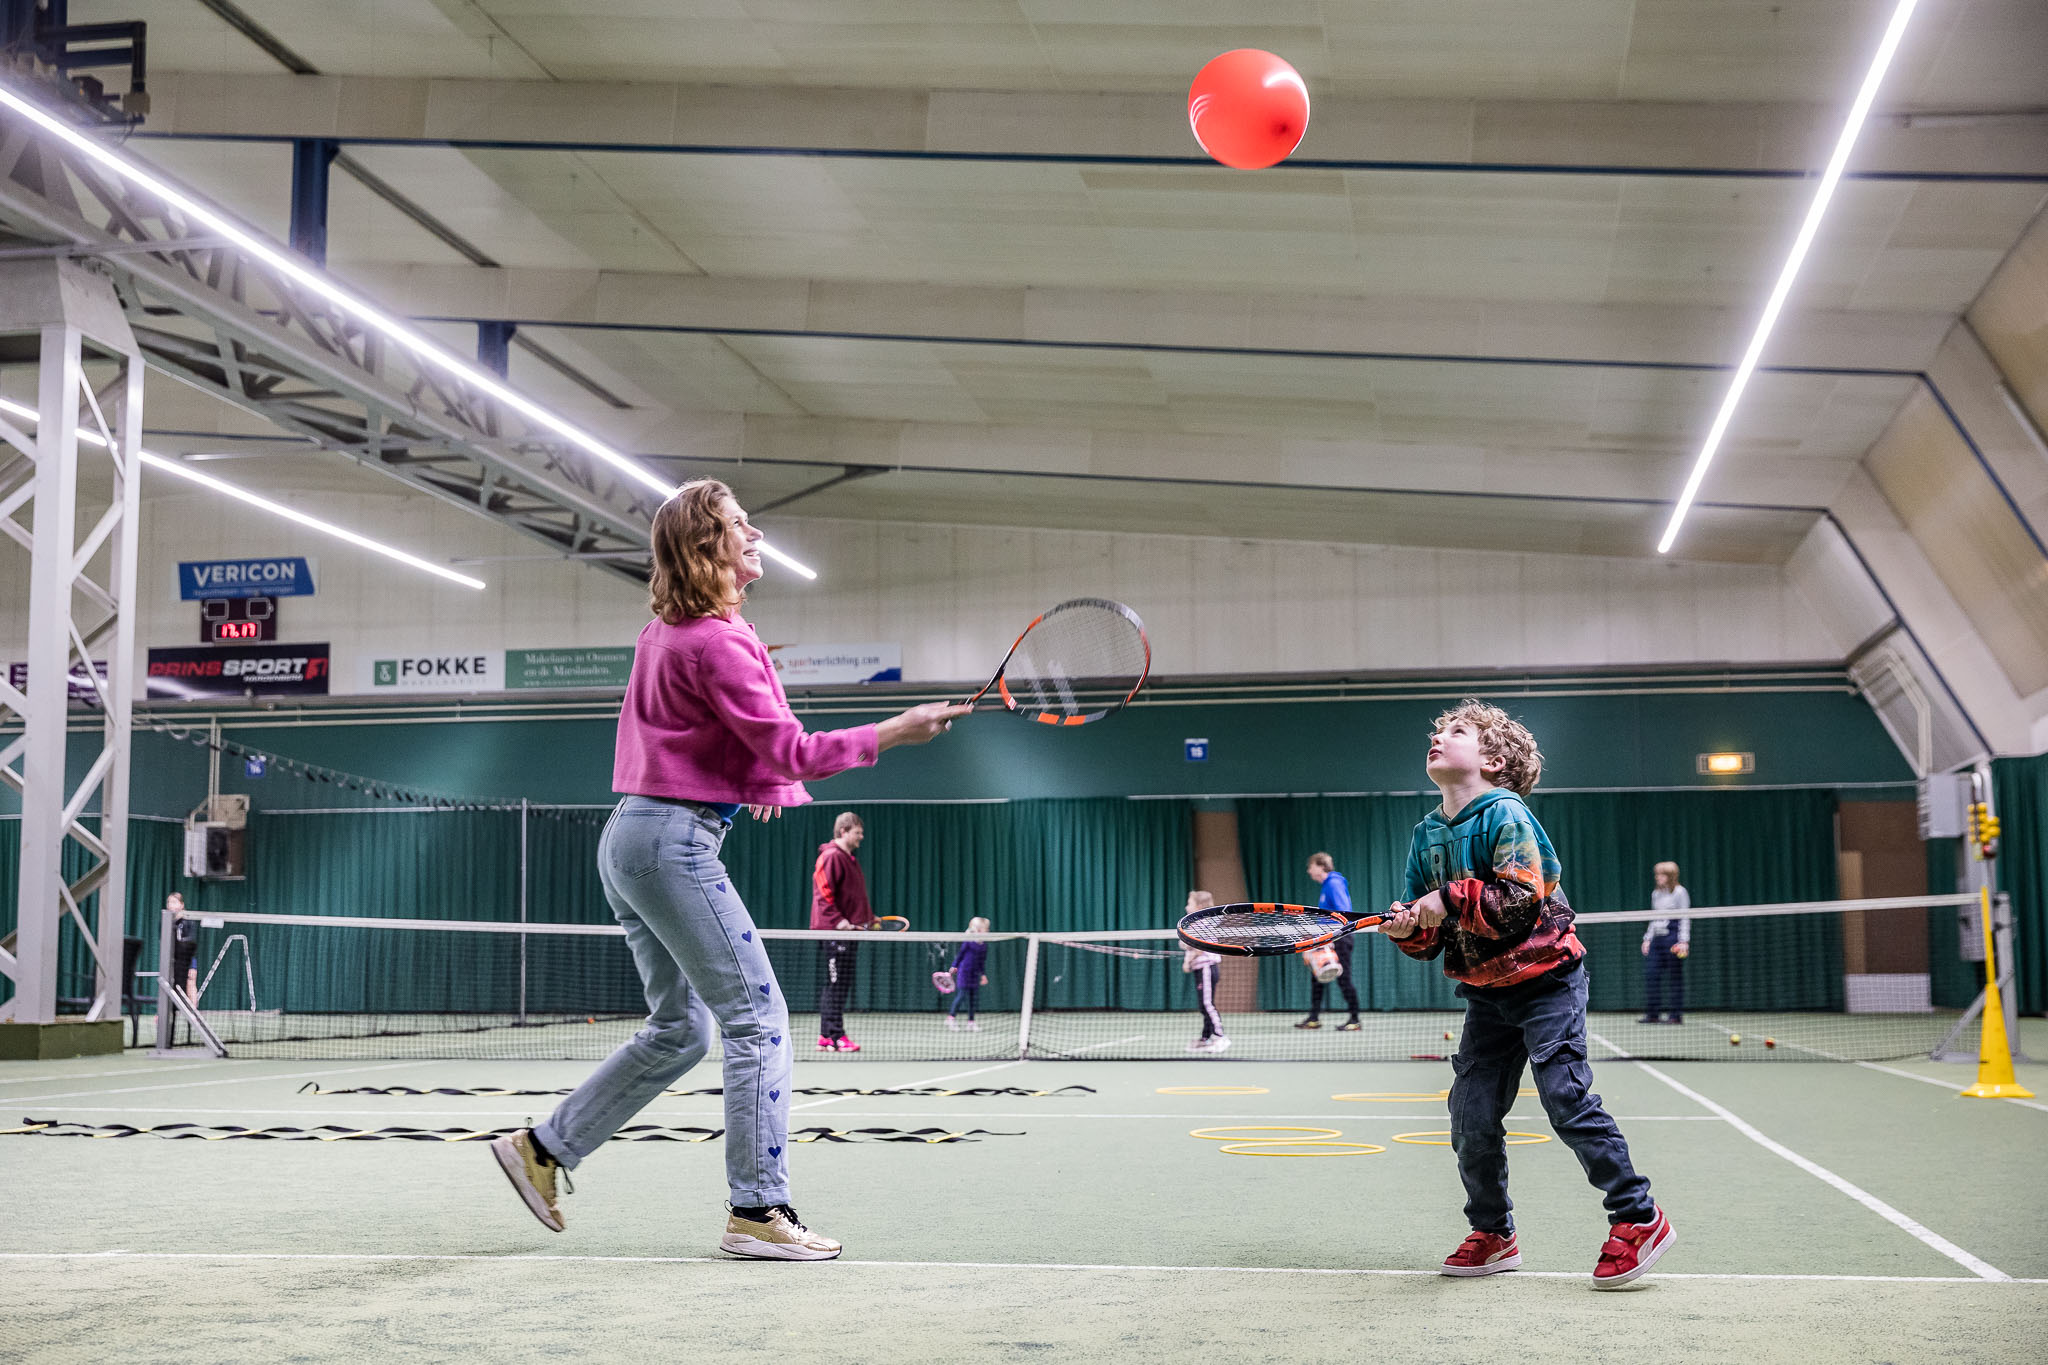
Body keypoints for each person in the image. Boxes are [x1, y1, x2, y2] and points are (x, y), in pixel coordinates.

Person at [490, 479, 968, 1261]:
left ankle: (543, 1148)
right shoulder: (720, 640)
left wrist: (759, 784)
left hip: (630, 837)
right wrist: (896, 730)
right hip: (674, 842)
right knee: (758, 1018)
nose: (755, 535)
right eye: (740, 525)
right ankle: (757, 1209)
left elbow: (693, 739)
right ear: (707, 546)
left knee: (681, 1028)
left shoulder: (667, 635)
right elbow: (789, 748)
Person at [1380, 700, 1672, 1290]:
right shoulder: (1426, 834)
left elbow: (1517, 902)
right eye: (1437, 732)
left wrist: (1447, 901)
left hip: (1547, 982)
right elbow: (1432, 936)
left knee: (1564, 1096)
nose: (1438, 738)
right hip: (1486, 994)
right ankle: (1492, 1232)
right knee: (1470, 1115)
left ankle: (1637, 1217)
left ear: (1491, 760)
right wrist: (1411, 928)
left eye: (1455, 732)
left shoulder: (1504, 812)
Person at [811, 812, 874, 1051]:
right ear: (843, 831)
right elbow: (823, 894)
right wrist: (839, 922)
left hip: (849, 933)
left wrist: (869, 918)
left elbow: (853, 898)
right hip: (833, 933)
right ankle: (835, 1036)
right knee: (835, 984)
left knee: (841, 983)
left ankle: (828, 1036)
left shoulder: (849, 859)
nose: (861, 837)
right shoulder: (831, 856)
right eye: (857, 832)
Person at [1297, 852, 1362, 1030]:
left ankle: (1355, 1020)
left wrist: (1333, 938)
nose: (1309, 871)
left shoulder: (1334, 883)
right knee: (1317, 977)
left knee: (1344, 978)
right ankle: (1314, 1018)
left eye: (1311, 867)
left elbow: (1344, 912)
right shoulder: (1327, 886)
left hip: (1339, 938)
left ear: (1320, 866)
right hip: (1327, 939)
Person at [1639, 861, 1691, 1024]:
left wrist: (1683, 941)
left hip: (1673, 938)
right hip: (1657, 940)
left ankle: (1675, 1015)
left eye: (1661, 875)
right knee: (1651, 975)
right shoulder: (1656, 894)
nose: (1658, 878)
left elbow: (1685, 917)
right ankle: (1653, 1014)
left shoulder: (1680, 893)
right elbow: (1654, 918)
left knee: (1675, 978)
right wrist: (1647, 939)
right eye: (1657, 874)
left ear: (1670, 876)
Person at [1182, 891, 1229, 1053]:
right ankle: (1205, 1038)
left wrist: (1187, 961)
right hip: (1200, 969)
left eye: (1190, 903)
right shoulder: (1194, 924)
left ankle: (1220, 1036)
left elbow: (1199, 948)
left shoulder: (1204, 923)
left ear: (1199, 906)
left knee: (1207, 1004)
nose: (1186, 906)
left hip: (1207, 968)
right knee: (1204, 1005)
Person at [945, 917, 991, 1032]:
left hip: (975, 975)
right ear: (979, 930)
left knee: (972, 1000)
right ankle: (951, 1018)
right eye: (986, 929)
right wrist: (954, 966)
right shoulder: (968, 941)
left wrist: (983, 975)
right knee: (961, 996)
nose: (988, 931)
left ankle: (971, 1022)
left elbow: (982, 961)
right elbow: (960, 955)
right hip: (964, 973)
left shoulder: (984, 945)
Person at [166, 891, 198, 1007]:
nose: (171, 905)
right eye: (169, 902)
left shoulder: (188, 921)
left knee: (190, 982)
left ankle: (193, 1013)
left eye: (174, 902)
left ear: (181, 905)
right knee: (167, 984)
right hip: (171, 959)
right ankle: (163, 1013)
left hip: (187, 959)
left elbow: (190, 941)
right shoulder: (166, 922)